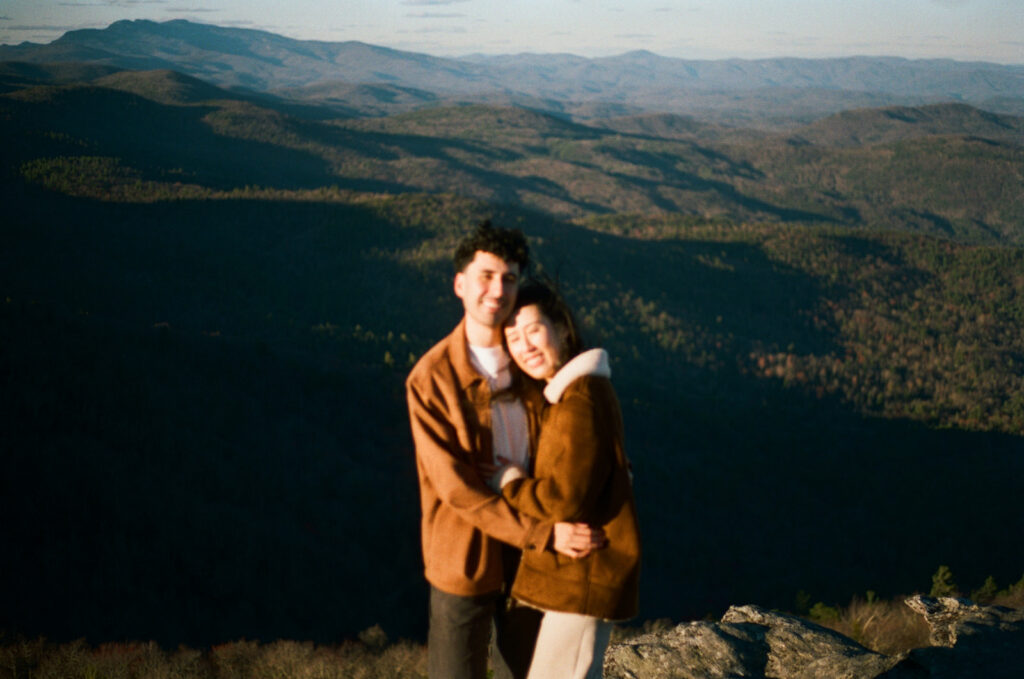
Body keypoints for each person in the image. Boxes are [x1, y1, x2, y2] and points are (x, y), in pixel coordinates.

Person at [406, 221, 606, 679]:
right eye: (486, 276)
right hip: (465, 560)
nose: (498, 290)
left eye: (510, 278)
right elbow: (458, 490)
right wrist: (544, 534)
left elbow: (574, 430)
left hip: (531, 562)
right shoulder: (431, 379)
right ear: (460, 283)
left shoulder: (530, 361)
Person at [493, 280, 641, 679]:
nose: (524, 346)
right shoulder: (573, 394)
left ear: (561, 327)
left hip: (583, 579)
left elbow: (563, 501)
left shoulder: (580, 400)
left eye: (534, 330)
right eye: (513, 338)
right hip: (572, 579)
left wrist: (508, 482)